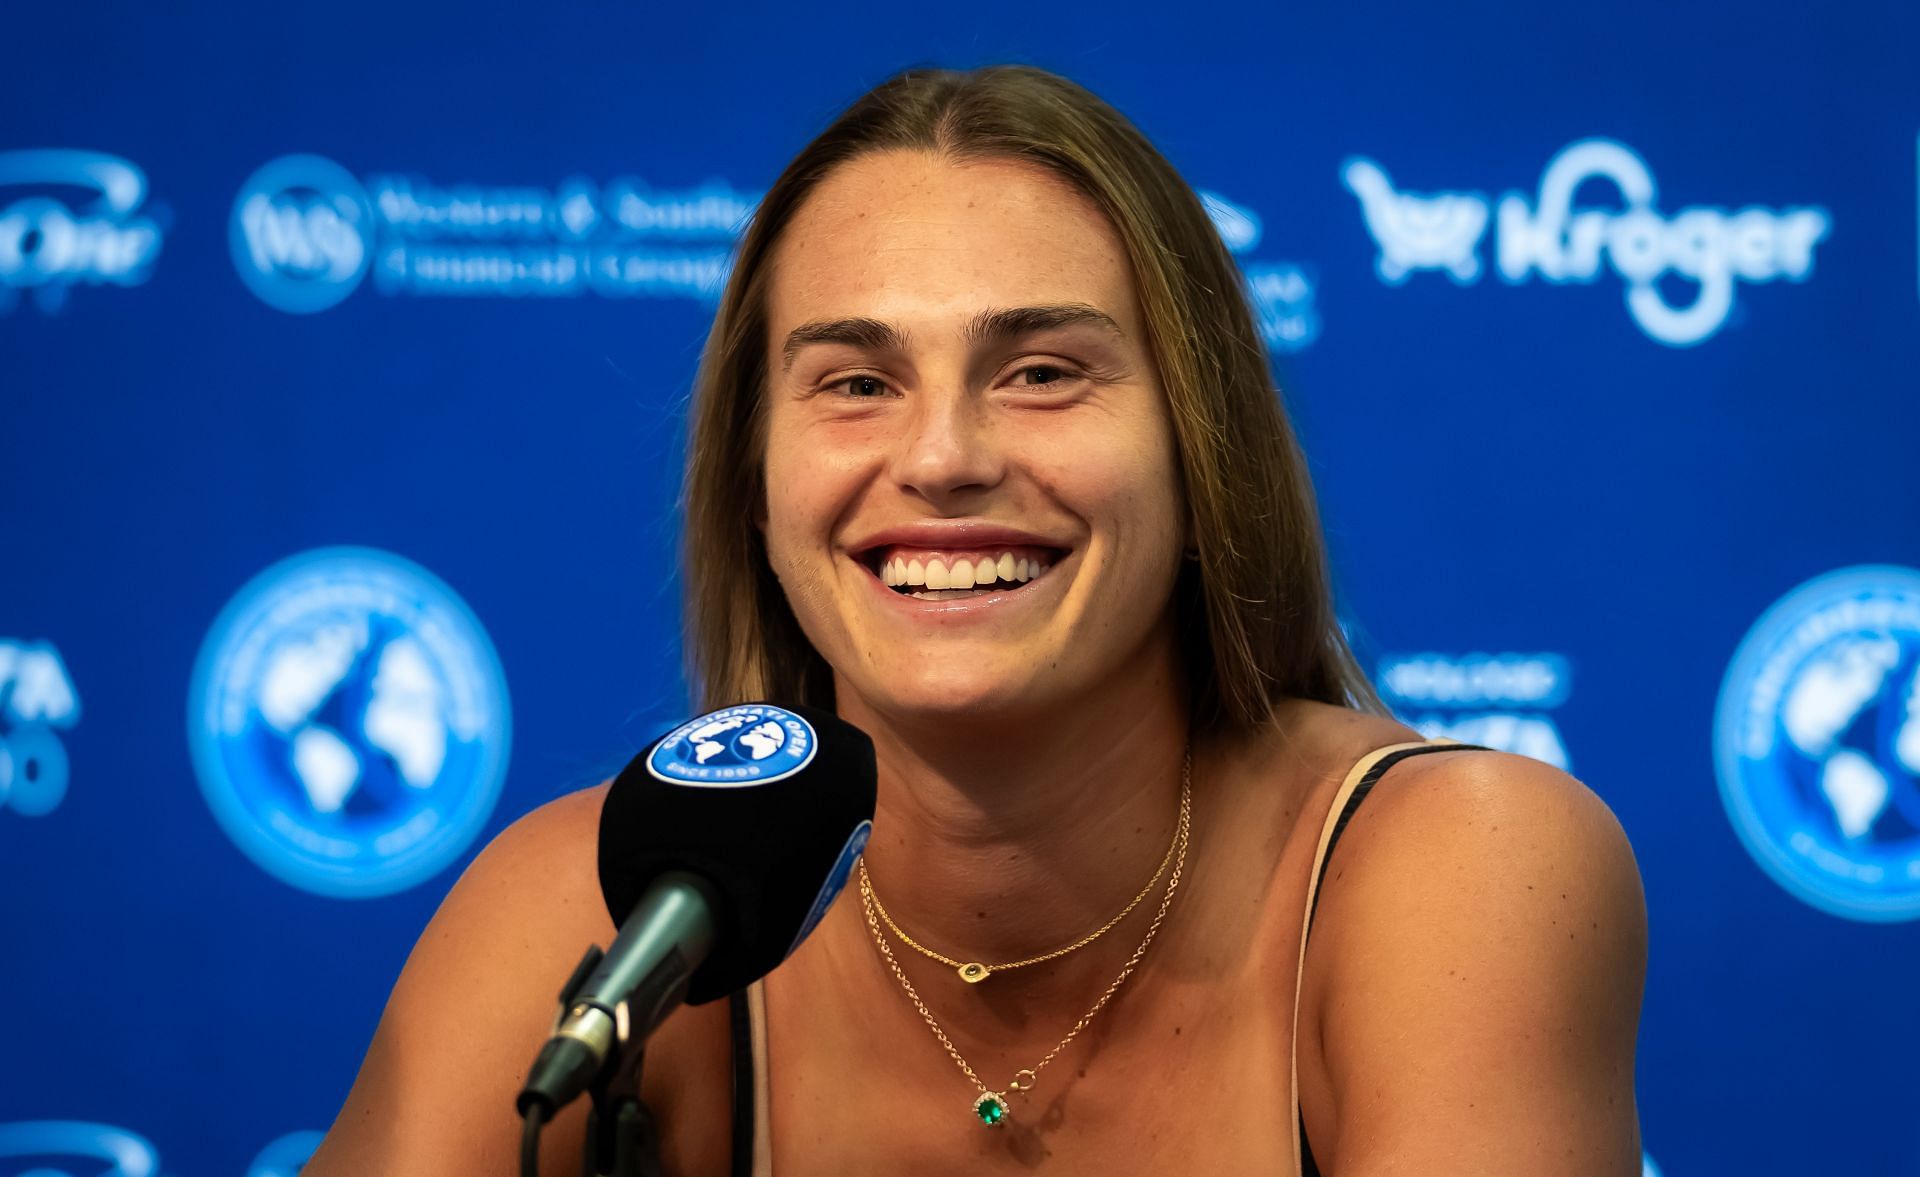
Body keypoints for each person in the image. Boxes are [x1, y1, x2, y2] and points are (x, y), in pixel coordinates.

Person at [305, 64, 1648, 1176]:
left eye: (1045, 372)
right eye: (854, 381)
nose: (943, 456)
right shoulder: (614, 920)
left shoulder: (1451, 866)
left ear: (1199, 450)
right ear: (757, 486)